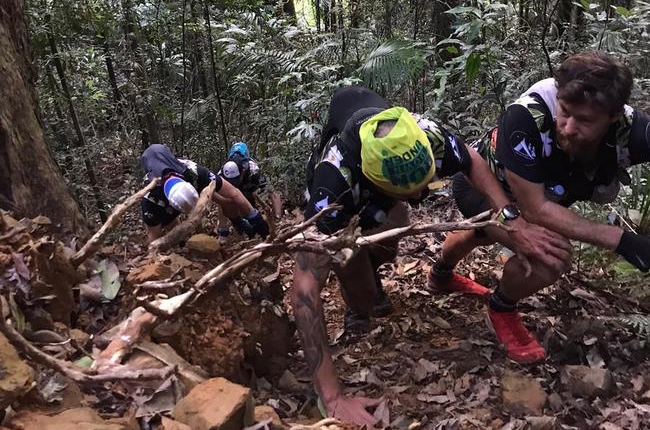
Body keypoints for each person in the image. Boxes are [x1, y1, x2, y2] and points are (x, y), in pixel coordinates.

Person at [291, 85, 569, 427]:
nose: (423, 195)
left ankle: (372, 261)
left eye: (425, 183)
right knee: (362, 296)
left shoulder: (426, 133)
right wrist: (331, 398)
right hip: (353, 201)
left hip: (381, 190)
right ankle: (359, 285)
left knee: (388, 246)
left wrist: (509, 217)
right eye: (411, 191)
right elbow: (303, 289)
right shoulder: (332, 184)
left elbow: (472, 160)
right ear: (376, 180)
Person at [434, 51, 650, 365]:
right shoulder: (526, 116)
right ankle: (502, 306)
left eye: (585, 120)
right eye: (565, 111)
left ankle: (441, 274)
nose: (569, 127)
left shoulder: (631, 129)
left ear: (614, 115)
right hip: (484, 188)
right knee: (550, 255)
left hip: (541, 197)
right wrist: (622, 240)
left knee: (486, 234)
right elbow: (534, 210)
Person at [140, 143, 269, 243]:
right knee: (171, 232)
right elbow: (154, 238)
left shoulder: (194, 171)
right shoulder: (150, 197)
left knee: (227, 199)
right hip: (160, 201)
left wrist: (254, 218)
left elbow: (232, 193)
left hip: (186, 182)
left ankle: (238, 223)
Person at [217, 142, 267, 237]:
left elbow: (268, 189)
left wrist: (275, 217)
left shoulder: (252, 169)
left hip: (249, 193)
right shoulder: (222, 172)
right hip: (232, 195)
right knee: (221, 199)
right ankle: (226, 230)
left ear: (242, 171)